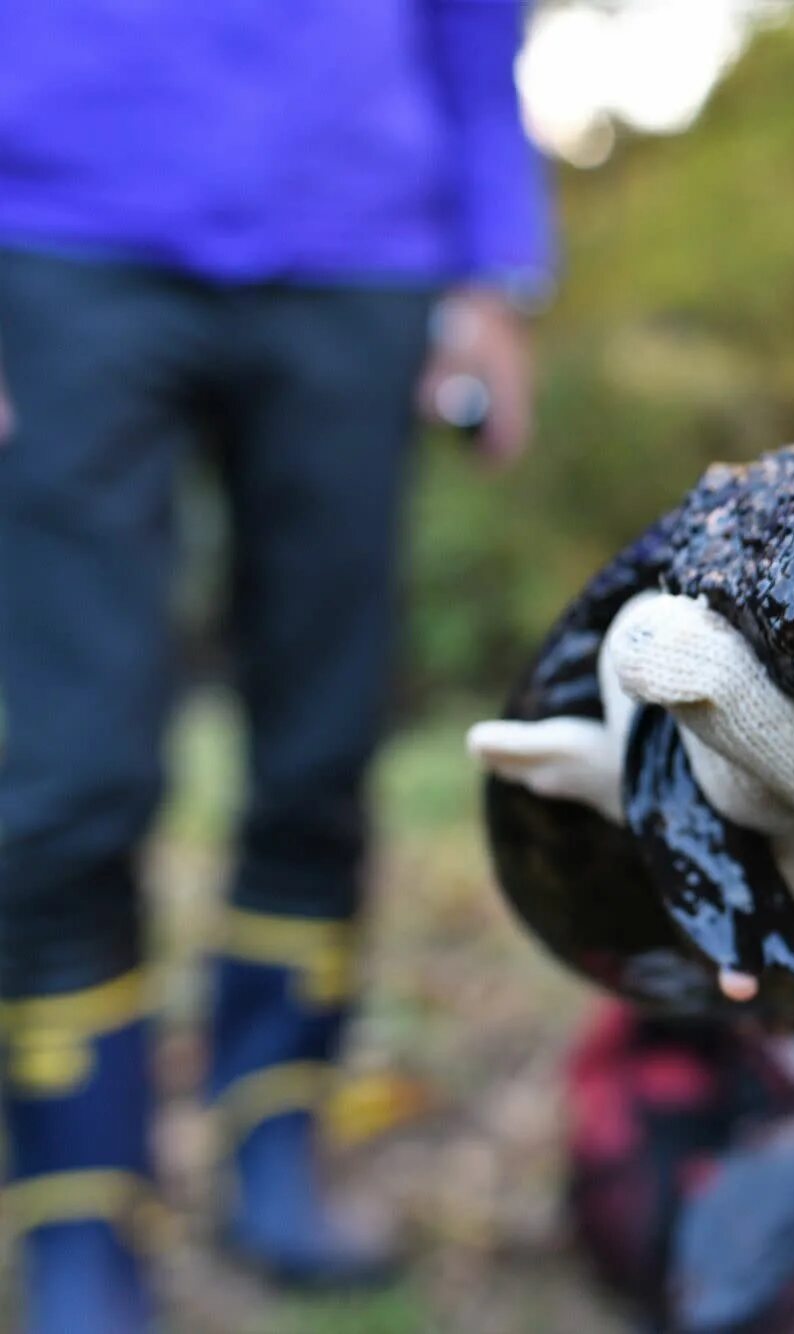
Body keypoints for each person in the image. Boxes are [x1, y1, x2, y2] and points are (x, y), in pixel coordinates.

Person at [0, 2, 550, 1329]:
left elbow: (477, 31)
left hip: (356, 246)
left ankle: (275, 1147)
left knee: (320, 751)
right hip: (62, 238)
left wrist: (492, 272)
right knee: (77, 771)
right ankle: (79, 1216)